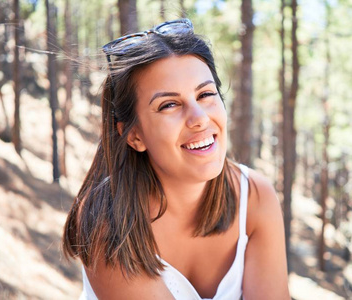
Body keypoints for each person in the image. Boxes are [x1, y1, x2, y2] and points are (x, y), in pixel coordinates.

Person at [62, 18, 290, 300]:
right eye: (169, 104)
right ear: (134, 136)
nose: (199, 118)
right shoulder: (108, 220)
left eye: (206, 94)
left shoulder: (255, 197)